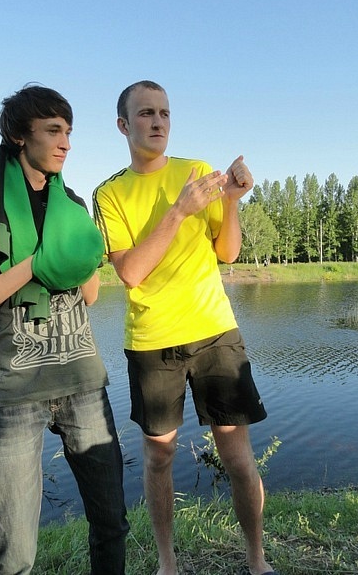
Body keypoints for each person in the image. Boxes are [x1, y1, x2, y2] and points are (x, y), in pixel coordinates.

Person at [93, 80, 278, 575]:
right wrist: (178, 211)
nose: (158, 122)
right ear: (123, 125)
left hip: (215, 332)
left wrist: (232, 200)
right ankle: (167, 564)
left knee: (238, 458)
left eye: (165, 113)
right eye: (146, 113)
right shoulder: (109, 193)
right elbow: (131, 273)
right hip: (152, 343)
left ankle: (257, 562)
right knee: (159, 458)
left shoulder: (196, 171)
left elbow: (228, 252)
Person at [0, 85, 129, 575]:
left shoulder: (72, 203)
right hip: (15, 391)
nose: (65, 143)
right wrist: (36, 264)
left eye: (68, 132)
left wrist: (82, 255)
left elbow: (90, 295)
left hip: (83, 382)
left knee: (111, 522)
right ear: (18, 135)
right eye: (53, 130)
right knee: (14, 551)